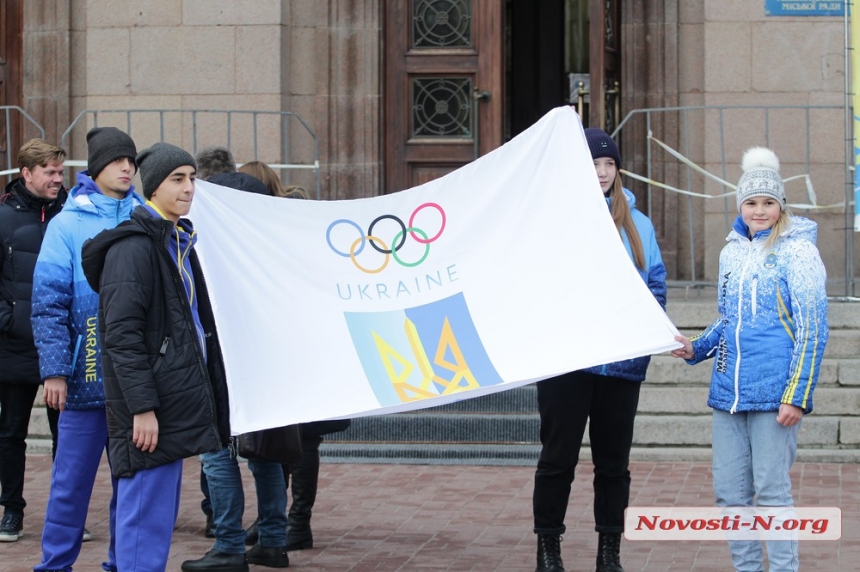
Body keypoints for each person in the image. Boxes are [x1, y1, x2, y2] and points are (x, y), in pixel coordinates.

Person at [672, 147, 828, 572]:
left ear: (781, 206)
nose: (759, 210)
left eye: (768, 202)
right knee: (729, 493)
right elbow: (728, 317)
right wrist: (696, 347)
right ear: (740, 204)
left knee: (772, 493)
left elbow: (813, 329)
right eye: (751, 202)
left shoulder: (799, 253)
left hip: (775, 393)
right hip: (728, 393)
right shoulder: (731, 253)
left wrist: (796, 395)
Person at [80, 142, 232, 570]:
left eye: (192, 178)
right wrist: (143, 408)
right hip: (150, 409)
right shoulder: (135, 247)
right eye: (177, 179)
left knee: (152, 519)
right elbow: (122, 337)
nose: (189, 188)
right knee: (143, 519)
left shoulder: (176, 239)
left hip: (172, 400)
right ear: (154, 187)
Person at [532, 128, 666, 572]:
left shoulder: (638, 224)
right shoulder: (553, 218)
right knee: (558, 460)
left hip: (620, 365)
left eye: (609, 164)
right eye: (594, 164)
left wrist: (644, 338)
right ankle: (548, 548)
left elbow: (656, 288)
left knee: (613, 465)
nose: (603, 172)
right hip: (566, 360)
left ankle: (609, 551)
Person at [31, 126, 143, 571]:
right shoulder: (66, 224)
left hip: (136, 387)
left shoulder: (145, 216)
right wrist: (55, 370)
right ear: (96, 168)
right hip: (84, 379)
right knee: (70, 485)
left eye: (131, 161)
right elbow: (47, 303)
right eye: (118, 160)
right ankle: (55, 565)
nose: (127, 168)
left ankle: (120, 563)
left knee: (129, 485)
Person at [180, 172, 290, 572]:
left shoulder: (214, 250)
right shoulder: (270, 249)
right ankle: (274, 542)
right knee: (266, 453)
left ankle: (228, 545)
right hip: (266, 363)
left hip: (224, 363)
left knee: (217, 452)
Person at [0, 139, 65, 542]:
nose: (58, 179)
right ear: (27, 173)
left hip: (61, 341)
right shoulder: (3, 217)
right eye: (50, 173)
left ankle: (63, 512)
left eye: (60, 172)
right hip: (15, 343)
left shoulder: (72, 214)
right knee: (10, 433)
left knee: (67, 435)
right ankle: (12, 509)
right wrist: (7, 319)